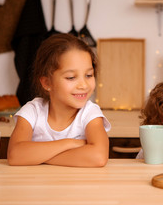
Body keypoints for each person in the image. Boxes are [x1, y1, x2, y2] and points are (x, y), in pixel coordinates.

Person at [7, 34, 111, 167]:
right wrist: (69, 143)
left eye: (89, 75)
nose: (83, 85)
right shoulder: (32, 111)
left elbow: (98, 157)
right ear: (47, 83)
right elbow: (16, 155)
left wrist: (38, 157)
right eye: (71, 77)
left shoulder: (90, 113)